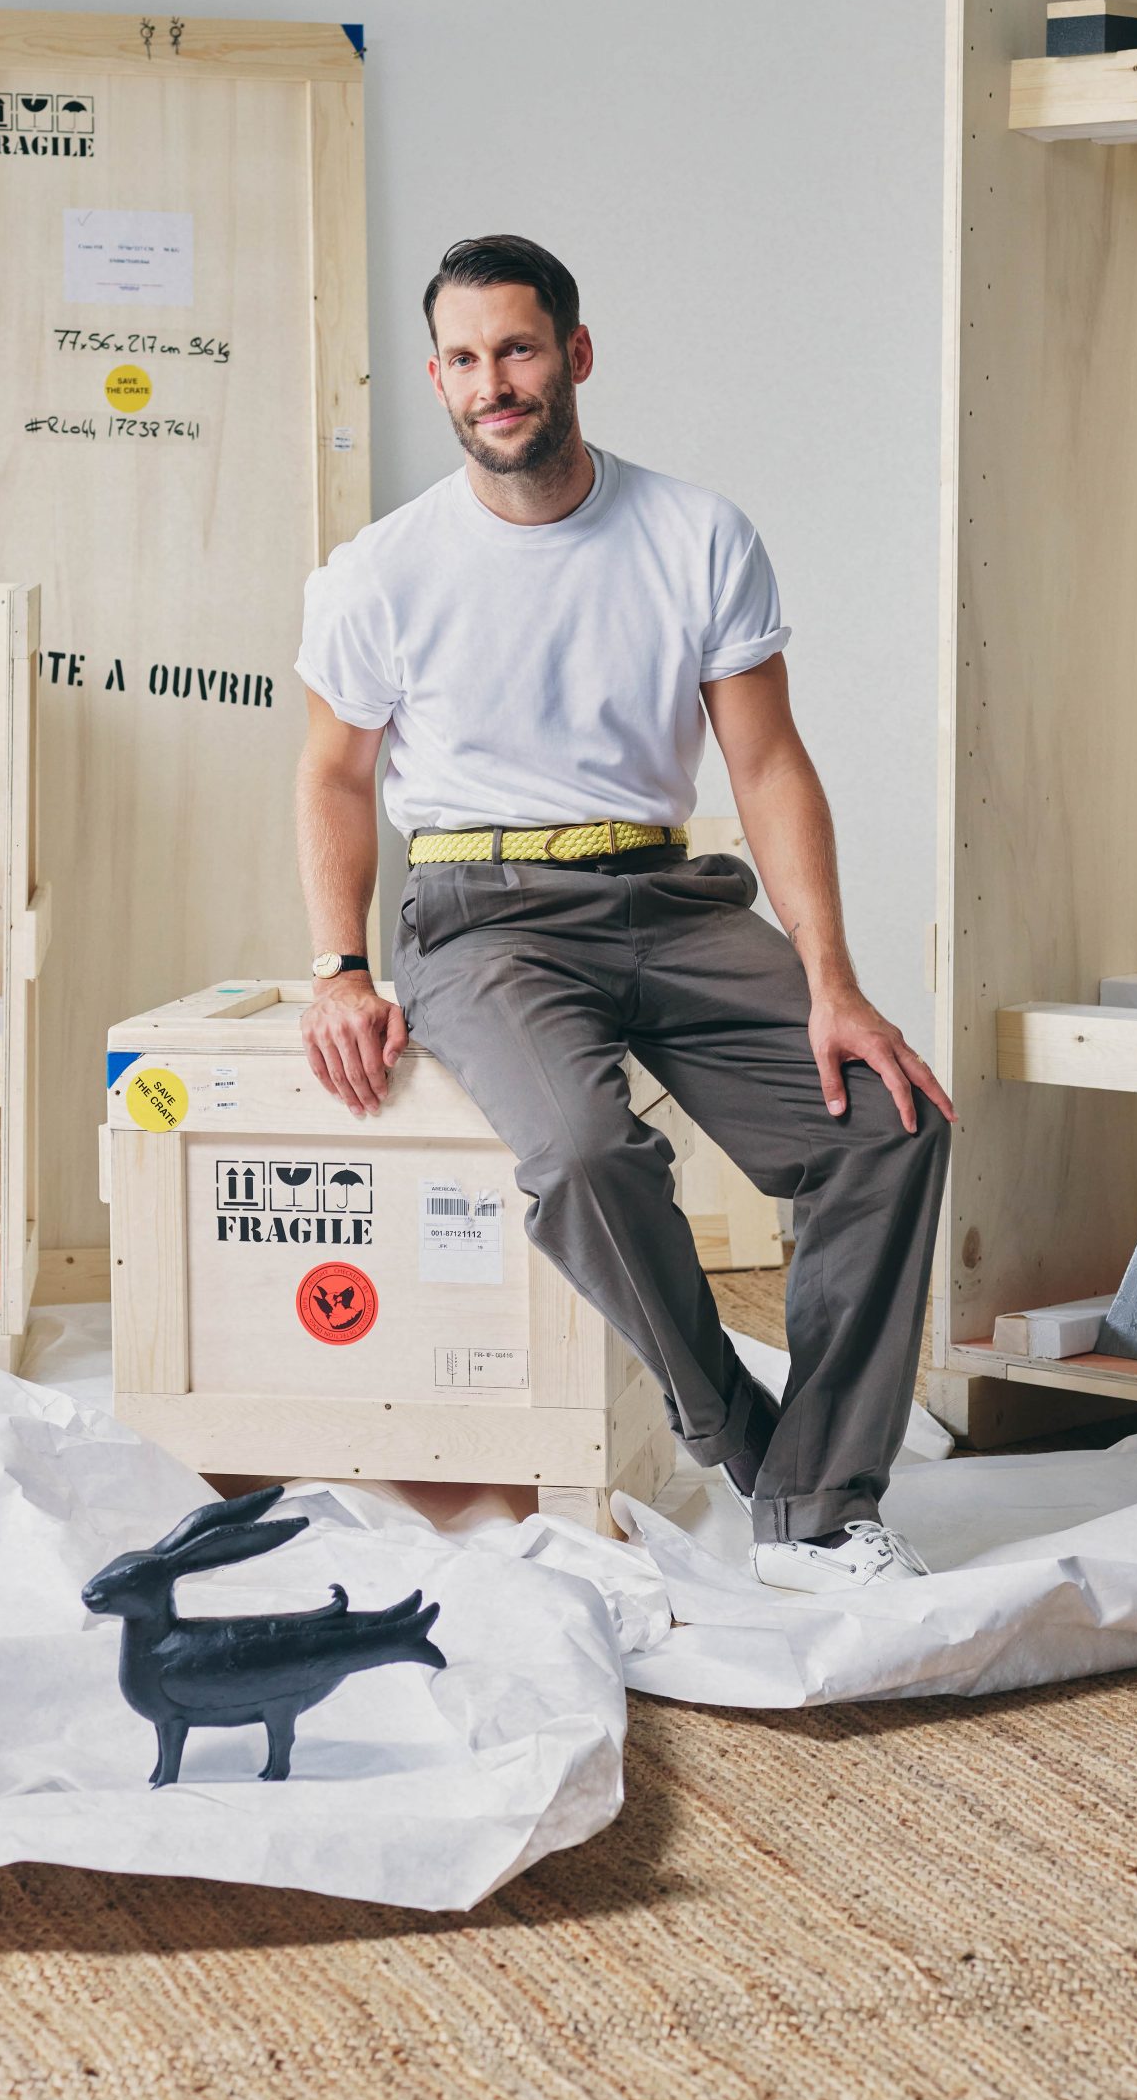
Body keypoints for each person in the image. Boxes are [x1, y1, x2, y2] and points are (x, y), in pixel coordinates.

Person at [292, 234, 953, 1593]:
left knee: (893, 1120)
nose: (496, 383)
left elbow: (767, 766)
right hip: (481, 914)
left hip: (667, 888)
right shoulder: (382, 570)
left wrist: (834, 979)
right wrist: (339, 965)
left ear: (575, 355)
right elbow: (335, 773)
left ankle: (815, 1514)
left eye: (519, 350)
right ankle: (759, 1446)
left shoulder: (695, 535)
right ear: (438, 378)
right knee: (587, 1154)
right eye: (467, 361)